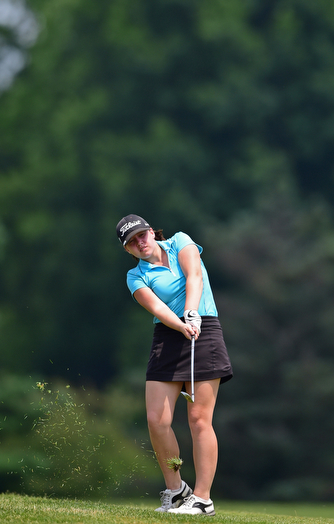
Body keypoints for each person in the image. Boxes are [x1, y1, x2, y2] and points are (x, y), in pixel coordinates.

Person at [116, 214, 232, 516]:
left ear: (152, 232)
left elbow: (195, 275)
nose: (139, 243)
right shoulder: (135, 276)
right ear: (127, 249)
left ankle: (203, 499)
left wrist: (191, 313)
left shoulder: (180, 240)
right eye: (131, 242)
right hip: (168, 335)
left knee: (198, 418)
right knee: (157, 419)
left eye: (142, 235)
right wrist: (180, 324)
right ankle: (177, 489)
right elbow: (156, 306)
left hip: (203, 327)